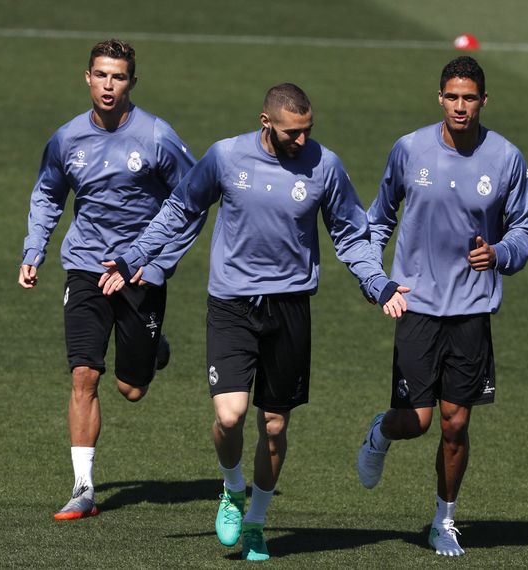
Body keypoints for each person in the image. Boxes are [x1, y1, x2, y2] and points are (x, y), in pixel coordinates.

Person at [100, 83, 407, 561]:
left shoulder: (325, 165)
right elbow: (181, 208)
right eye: (292, 133)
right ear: (266, 122)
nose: (302, 141)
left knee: (275, 426)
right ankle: (231, 488)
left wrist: (377, 283)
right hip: (231, 304)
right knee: (229, 415)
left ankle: (258, 522)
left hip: (289, 309)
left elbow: (351, 233)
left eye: (308, 131)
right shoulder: (225, 157)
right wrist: (133, 256)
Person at [356, 56, 528, 557]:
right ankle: (379, 433)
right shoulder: (409, 149)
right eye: (452, 97)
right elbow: (379, 217)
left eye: (470, 97)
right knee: (416, 420)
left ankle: (443, 520)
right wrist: (377, 278)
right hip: (415, 304)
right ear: (441, 98)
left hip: (472, 309)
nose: (461, 106)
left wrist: (500, 253)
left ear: (484, 100)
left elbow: (526, 226)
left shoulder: (505, 158)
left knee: (457, 422)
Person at [18, 39, 196, 520]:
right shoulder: (66, 139)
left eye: (118, 77)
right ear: (87, 77)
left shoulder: (157, 137)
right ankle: (83, 488)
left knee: (130, 389)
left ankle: (152, 351)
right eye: (101, 75)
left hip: (140, 271)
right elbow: (48, 194)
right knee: (83, 374)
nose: (109, 85)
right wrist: (34, 248)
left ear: (132, 82)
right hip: (86, 266)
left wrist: (156, 265)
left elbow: (193, 202)